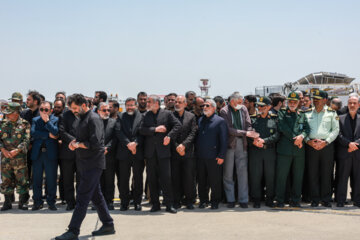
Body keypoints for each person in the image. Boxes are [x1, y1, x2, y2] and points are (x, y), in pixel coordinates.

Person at [55, 94, 114, 240]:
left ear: (83, 105)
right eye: (71, 108)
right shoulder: (81, 118)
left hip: (93, 163)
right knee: (96, 196)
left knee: (82, 197)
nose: (73, 111)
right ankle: (108, 224)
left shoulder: (93, 119)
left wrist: (78, 144)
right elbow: (82, 138)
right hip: (84, 162)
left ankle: (73, 231)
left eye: (75, 108)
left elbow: (96, 144)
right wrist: (74, 142)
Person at [139, 95, 181, 213]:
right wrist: (155, 129)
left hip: (164, 152)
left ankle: (169, 205)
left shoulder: (167, 114)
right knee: (152, 179)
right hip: (151, 153)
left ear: (156, 103)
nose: (147, 103)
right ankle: (155, 204)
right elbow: (141, 129)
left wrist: (169, 136)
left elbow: (177, 125)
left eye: (149, 102)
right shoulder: (145, 115)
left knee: (166, 179)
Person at [220, 92, 256, 208]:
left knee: (242, 172)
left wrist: (249, 131)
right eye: (239, 103)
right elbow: (228, 129)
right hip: (230, 144)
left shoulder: (244, 109)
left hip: (242, 143)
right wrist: (246, 132)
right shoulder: (224, 111)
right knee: (228, 173)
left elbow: (248, 123)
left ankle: (243, 200)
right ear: (232, 102)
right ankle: (230, 199)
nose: (241, 104)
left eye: (242, 102)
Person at [304, 90, 339, 207]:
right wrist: (308, 141)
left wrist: (326, 141)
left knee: (327, 174)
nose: (315, 100)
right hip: (311, 146)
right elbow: (302, 128)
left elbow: (335, 130)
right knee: (312, 173)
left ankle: (326, 199)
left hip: (326, 147)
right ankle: (314, 199)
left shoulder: (332, 113)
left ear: (325, 100)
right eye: (314, 98)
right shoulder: (307, 113)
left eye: (318, 98)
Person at [275, 91, 310, 208]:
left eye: (295, 101)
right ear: (287, 102)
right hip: (285, 151)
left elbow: (307, 129)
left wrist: (302, 136)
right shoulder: (282, 113)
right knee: (281, 177)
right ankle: (280, 200)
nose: (292, 103)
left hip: (299, 152)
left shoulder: (302, 114)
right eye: (290, 101)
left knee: (298, 177)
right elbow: (283, 128)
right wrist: (296, 139)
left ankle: (295, 200)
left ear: (298, 102)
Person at [197, 99, 228, 209]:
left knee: (215, 181)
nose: (204, 107)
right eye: (204, 105)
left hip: (214, 157)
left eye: (207, 105)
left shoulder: (220, 121)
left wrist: (221, 155)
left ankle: (215, 201)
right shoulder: (200, 120)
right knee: (202, 181)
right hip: (201, 156)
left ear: (214, 108)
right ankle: (203, 200)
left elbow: (224, 140)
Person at [248, 97, 279, 208]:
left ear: (269, 107)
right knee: (255, 176)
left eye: (262, 106)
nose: (260, 108)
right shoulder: (253, 119)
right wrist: (254, 142)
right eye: (258, 106)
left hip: (269, 151)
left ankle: (269, 198)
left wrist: (264, 141)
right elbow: (248, 133)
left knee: (270, 176)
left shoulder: (274, 119)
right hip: (255, 152)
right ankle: (256, 199)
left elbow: (277, 135)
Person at [0, 102, 31, 211]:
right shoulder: (2, 124)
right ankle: (7, 202)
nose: (7, 115)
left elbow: (26, 140)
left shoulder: (25, 124)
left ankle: (22, 202)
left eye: (9, 113)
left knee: (22, 181)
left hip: (19, 159)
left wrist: (16, 150)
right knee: (6, 181)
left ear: (16, 113)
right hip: (5, 158)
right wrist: (3, 150)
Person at [116, 97, 145, 211]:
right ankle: (124, 202)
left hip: (138, 153)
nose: (130, 107)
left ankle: (137, 202)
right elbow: (118, 132)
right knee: (123, 179)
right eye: (128, 105)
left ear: (136, 105)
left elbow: (143, 133)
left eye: (132, 105)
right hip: (124, 152)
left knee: (138, 179)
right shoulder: (120, 116)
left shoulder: (143, 117)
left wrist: (135, 144)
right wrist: (129, 144)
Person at [30, 101, 59, 211]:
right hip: (38, 154)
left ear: (51, 110)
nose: (43, 112)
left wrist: (47, 121)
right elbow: (33, 133)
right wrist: (47, 135)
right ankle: (37, 202)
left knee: (51, 179)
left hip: (50, 153)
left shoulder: (55, 120)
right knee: (37, 180)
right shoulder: (35, 120)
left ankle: (51, 202)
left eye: (46, 110)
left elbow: (55, 132)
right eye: (41, 109)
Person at [171, 95, 198, 209]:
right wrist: (177, 146)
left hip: (188, 153)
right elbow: (169, 134)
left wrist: (184, 146)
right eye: (176, 102)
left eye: (180, 102)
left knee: (189, 178)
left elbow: (193, 133)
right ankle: (176, 201)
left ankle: (189, 200)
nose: (177, 104)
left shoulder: (191, 116)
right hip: (174, 152)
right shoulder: (170, 116)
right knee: (175, 177)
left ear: (185, 104)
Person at [336, 93, 360, 207]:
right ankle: (340, 200)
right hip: (344, 153)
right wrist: (348, 144)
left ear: (358, 105)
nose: (352, 105)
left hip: (357, 153)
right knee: (342, 178)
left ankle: (357, 200)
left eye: (354, 103)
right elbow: (338, 135)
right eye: (350, 103)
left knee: (358, 178)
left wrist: (355, 144)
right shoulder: (340, 118)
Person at [58, 99, 80, 211]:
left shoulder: (84, 115)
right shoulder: (64, 116)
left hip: (81, 153)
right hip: (67, 153)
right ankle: (70, 202)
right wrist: (74, 141)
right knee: (68, 179)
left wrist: (79, 143)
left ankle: (80, 201)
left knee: (81, 180)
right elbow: (62, 132)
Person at [96, 102, 117, 210]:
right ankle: (98, 202)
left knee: (109, 180)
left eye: (108, 110)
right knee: (98, 180)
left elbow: (115, 138)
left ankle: (109, 201)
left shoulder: (114, 122)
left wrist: (107, 148)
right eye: (104, 110)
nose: (107, 112)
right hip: (96, 156)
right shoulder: (93, 122)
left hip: (109, 155)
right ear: (98, 111)